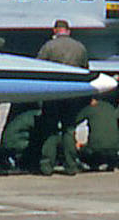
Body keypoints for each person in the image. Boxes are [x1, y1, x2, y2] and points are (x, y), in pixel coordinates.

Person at [36, 20, 89, 176]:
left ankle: (47, 165)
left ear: (55, 30)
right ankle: (71, 165)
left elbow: (38, 66)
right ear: (68, 31)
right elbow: (85, 68)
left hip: (53, 93)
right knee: (69, 130)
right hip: (72, 94)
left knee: (50, 130)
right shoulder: (79, 47)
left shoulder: (48, 46)